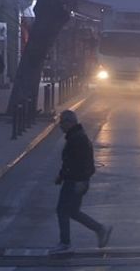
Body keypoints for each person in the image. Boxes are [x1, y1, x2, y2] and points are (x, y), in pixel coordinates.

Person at [50, 109, 111, 255]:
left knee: (62, 210)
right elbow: (70, 162)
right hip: (74, 180)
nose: (60, 126)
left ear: (70, 123)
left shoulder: (78, 139)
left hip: (75, 182)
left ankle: (65, 242)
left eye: (62, 122)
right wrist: (61, 175)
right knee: (73, 212)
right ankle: (100, 229)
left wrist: (82, 180)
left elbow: (84, 164)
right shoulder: (75, 137)